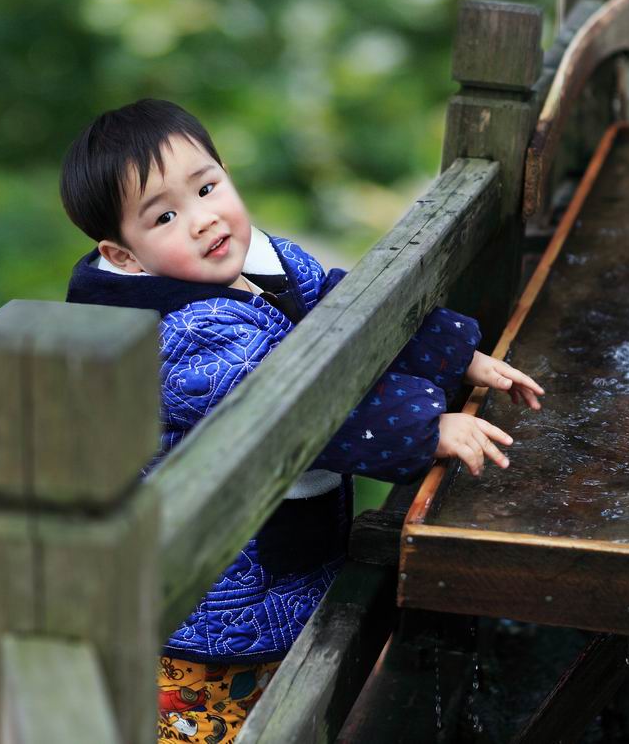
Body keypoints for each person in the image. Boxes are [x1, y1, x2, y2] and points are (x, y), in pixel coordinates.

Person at [61, 98, 543, 742]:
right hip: (207, 596)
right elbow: (293, 407)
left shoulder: (255, 261)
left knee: (280, 704)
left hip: (271, 551)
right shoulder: (181, 340)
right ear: (123, 256)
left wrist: (459, 357)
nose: (204, 219)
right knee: (214, 725)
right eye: (167, 215)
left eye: (207, 187)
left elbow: (346, 314)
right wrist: (427, 429)